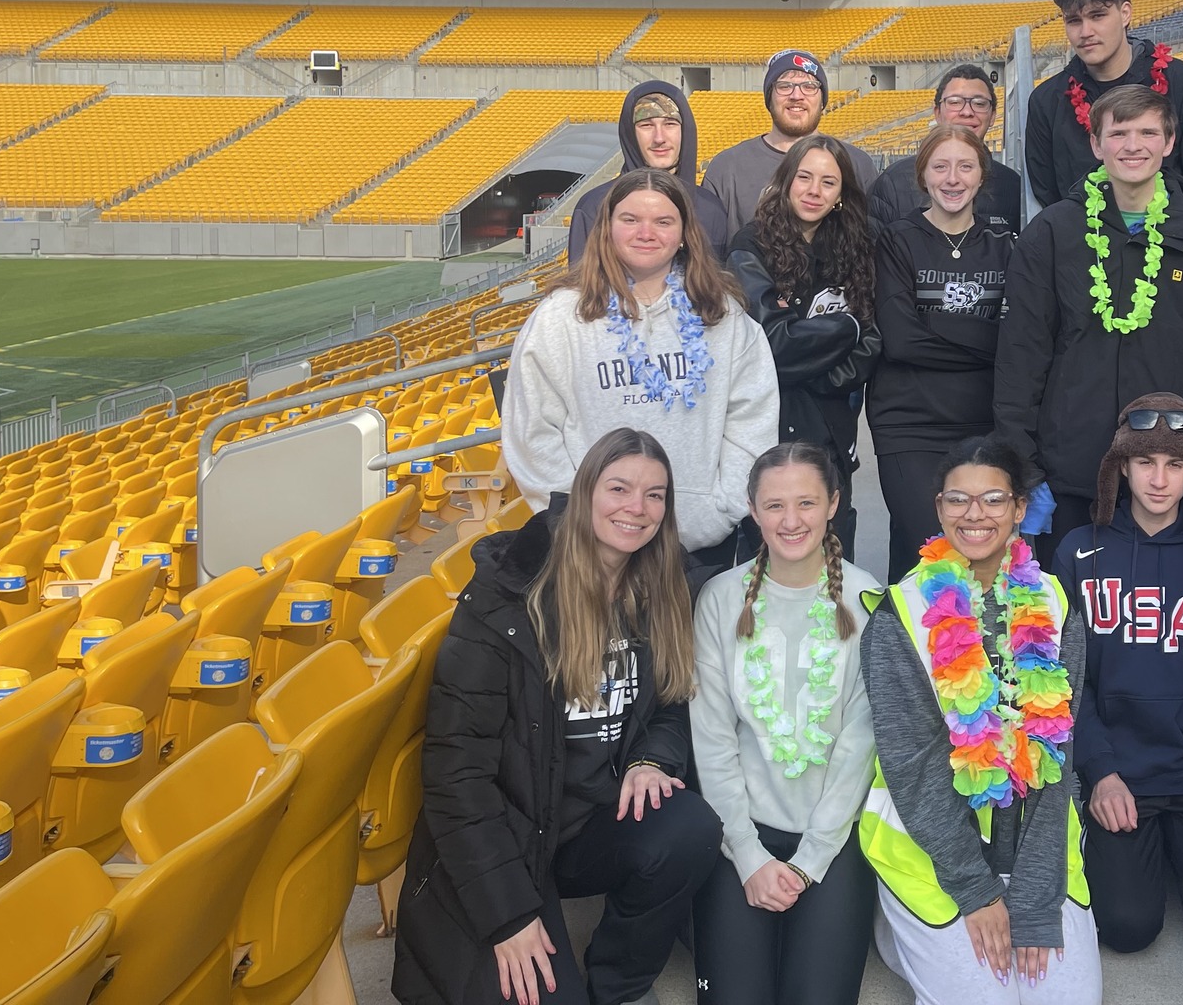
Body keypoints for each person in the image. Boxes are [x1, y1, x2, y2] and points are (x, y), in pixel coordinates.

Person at [394, 427, 720, 1005]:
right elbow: (455, 775)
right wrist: (507, 918)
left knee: (689, 827)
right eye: (619, 488)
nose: (636, 509)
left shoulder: (665, 587)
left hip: (594, 821)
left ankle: (613, 984)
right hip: (512, 833)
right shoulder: (507, 599)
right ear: (586, 489)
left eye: (655, 495)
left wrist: (650, 759)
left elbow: (672, 703)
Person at [858, 437, 1101, 1005]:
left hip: (1034, 846)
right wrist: (975, 891)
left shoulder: (1055, 603)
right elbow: (911, 766)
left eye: (993, 499)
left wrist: (1037, 900)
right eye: (957, 500)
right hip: (931, 848)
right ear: (939, 509)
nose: (975, 515)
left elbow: (1057, 755)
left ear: (1020, 508)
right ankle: (905, 936)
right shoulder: (902, 612)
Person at [994, 84, 1183, 565]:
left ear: (1169, 143)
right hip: (1070, 472)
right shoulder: (1053, 232)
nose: (1133, 145)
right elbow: (1020, 360)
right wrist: (1023, 470)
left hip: (1163, 477)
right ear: (1095, 144)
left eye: (1148, 132)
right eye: (1119, 132)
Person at [1049, 394, 1183, 959]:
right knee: (1127, 927)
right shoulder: (1078, 551)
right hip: (1121, 776)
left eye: (1176, 464)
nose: (1159, 479)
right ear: (1121, 466)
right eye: (1145, 462)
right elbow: (1063, 680)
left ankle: (1179, 850)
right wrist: (1099, 770)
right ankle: (1133, 854)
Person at [502, 169, 780, 579]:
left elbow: (751, 418)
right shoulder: (561, 318)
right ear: (607, 228)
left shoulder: (721, 313)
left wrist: (718, 509)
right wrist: (577, 517)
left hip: (698, 546)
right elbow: (532, 432)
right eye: (630, 219)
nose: (645, 232)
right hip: (591, 550)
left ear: (684, 232)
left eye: (663, 221)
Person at [691, 443, 883, 1005]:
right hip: (740, 830)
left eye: (806, 502)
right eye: (775, 505)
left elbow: (859, 743)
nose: (791, 520)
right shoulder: (721, 598)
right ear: (753, 510)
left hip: (832, 834)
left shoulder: (867, 596)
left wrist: (809, 862)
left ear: (834, 505)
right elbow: (713, 738)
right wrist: (749, 856)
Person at [869, 125, 1017, 582]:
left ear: (980, 177)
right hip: (909, 425)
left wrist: (933, 321)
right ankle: (903, 649)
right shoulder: (897, 240)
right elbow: (901, 339)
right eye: (941, 167)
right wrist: (987, 338)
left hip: (983, 424)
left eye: (965, 166)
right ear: (923, 176)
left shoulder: (1004, 244)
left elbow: (1017, 339)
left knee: (981, 555)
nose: (953, 179)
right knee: (928, 552)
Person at [727, 134, 882, 563]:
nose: (814, 191)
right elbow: (773, 345)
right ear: (785, 181)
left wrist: (824, 367)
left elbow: (874, 341)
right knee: (768, 565)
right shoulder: (750, 246)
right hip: (765, 432)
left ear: (841, 195)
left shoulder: (859, 246)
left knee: (834, 566)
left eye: (828, 183)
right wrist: (846, 326)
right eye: (804, 177)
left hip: (832, 431)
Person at [1023, 0, 1183, 213]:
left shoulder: (1181, 82)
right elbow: (1050, 197)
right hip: (1084, 247)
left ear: (1125, 14)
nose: (1085, 31)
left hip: (1174, 244)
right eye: (1074, 20)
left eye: (1097, 15)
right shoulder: (1046, 101)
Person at [703, 48, 880, 232]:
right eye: (784, 86)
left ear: (822, 100)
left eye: (809, 86)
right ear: (769, 97)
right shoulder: (726, 168)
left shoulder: (857, 164)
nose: (796, 96)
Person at [569, 80, 733, 265]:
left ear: (685, 130)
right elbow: (582, 287)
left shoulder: (710, 209)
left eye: (670, 124)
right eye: (646, 125)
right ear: (630, 134)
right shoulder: (595, 207)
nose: (659, 138)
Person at [868, 65, 1024, 231]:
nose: (966, 112)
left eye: (979, 103)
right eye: (955, 102)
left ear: (992, 116)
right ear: (937, 113)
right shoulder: (893, 181)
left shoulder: (1012, 186)